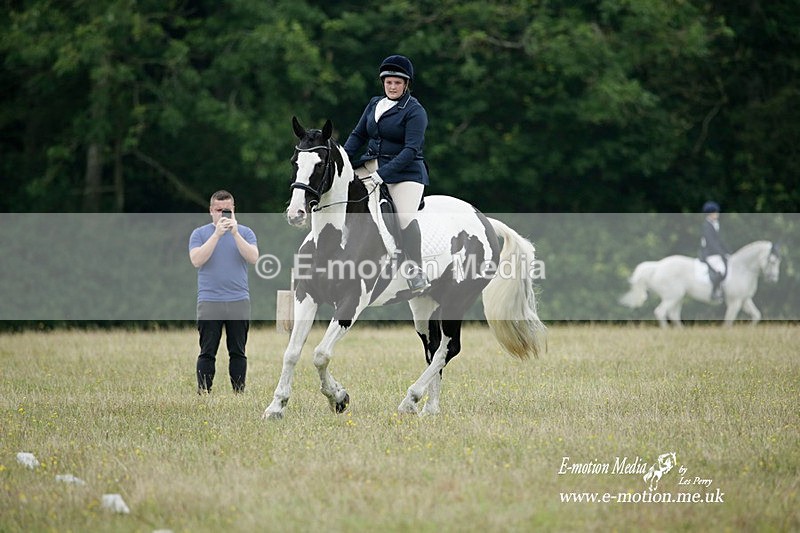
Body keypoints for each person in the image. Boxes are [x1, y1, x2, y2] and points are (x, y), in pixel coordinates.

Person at [343, 54, 430, 293]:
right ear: (383, 82)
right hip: (372, 164)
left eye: (397, 83)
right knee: (338, 191)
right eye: (388, 82)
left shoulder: (415, 111)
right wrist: (341, 161)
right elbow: (358, 135)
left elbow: (411, 150)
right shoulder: (374, 104)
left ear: (406, 84)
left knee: (403, 218)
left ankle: (414, 270)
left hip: (405, 173)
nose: (392, 87)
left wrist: (384, 174)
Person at [189, 190, 259, 394]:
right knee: (207, 351)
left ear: (233, 210)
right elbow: (197, 260)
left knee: (238, 351)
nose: (223, 214)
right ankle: (203, 392)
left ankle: (238, 392)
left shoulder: (245, 232)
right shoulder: (200, 234)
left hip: (238, 300)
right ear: (211, 211)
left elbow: (253, 258)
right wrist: (217, 235)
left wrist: (234, 233)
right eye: (219, 210)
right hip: (210, 301)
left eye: (227, 210)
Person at [699, 200, 731, 302]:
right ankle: (714, 292)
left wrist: (728, 252)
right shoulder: (706, 226)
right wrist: (722, 254)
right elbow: (711, 243)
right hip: (709, 254)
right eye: (715, 212)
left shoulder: (715, 224)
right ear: (710, 214)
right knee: (721, 270)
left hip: (715, 253)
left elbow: (720, 241)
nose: (717, 214)